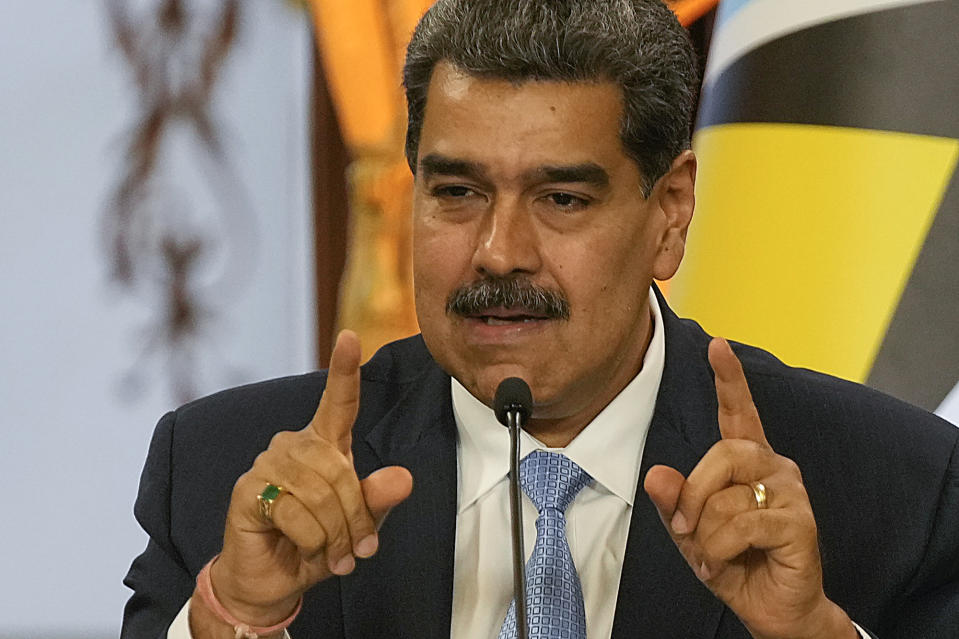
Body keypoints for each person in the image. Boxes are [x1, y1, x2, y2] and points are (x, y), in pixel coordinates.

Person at [121, 1, 959, 637]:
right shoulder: (220, 478)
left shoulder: (891, 489)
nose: (497, 251)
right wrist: (234, 611)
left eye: (561, 198)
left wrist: (810, 631)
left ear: (669, 212)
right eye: (457, 193)